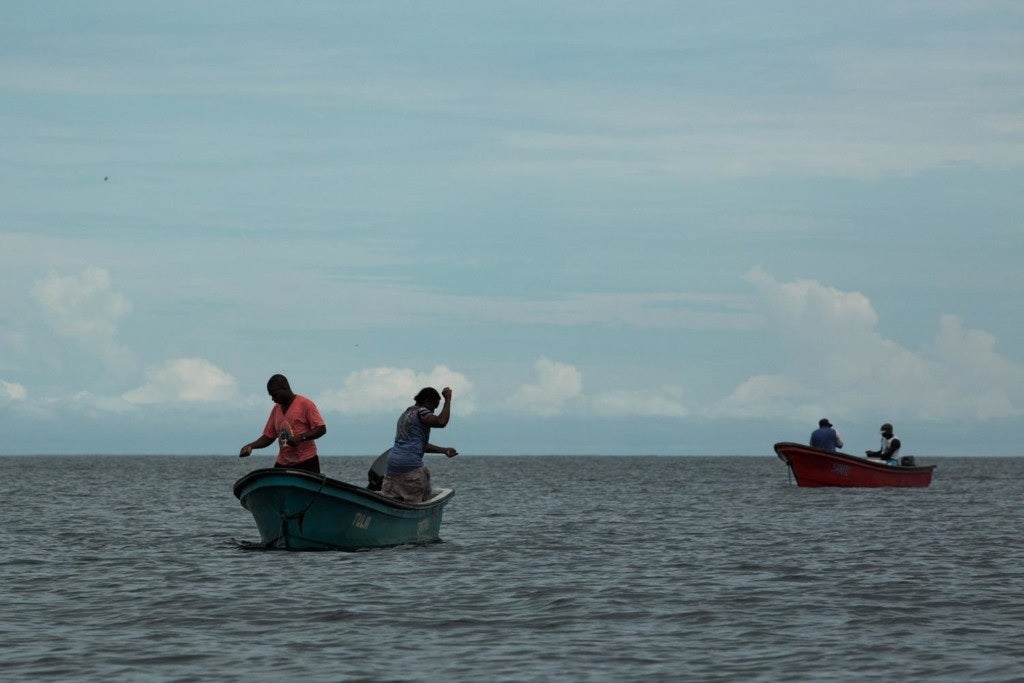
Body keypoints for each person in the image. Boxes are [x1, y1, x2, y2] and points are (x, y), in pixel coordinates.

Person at [381, 386, 458, 502]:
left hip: (392, 468)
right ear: (426, 401)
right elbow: (441, 422)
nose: (432, 412)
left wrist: (443, 450)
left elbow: (417, 444)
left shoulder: (406, 414)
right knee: (419, 502)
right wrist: (447, 400)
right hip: (411, 468)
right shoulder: (422, 411)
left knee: (389, 503)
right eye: (433, 408)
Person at [239, 374, 327, 473]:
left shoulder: (305, 404)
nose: (273, 399)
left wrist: (301, 437)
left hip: (306, 461)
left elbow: (321, 428)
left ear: (285, 388)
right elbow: (268, 436)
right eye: (271, 396)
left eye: (275, 394)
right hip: (283, 462)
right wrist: (251, 446)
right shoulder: (276, 409)